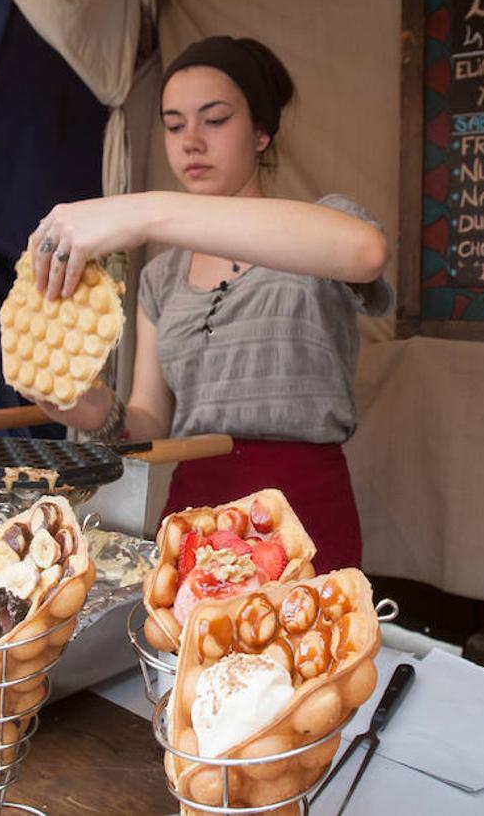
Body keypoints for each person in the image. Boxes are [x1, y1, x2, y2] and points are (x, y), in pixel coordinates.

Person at [26, 36, 391, 572]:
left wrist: (147, 210)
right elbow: (151, 422)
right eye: (174, 126)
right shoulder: (162, 275)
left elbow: (367, 252)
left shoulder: (322, 226)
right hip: (194, 519)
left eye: (214, 120)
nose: (190, 141)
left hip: (301, 519)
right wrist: (92, 409)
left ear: (262, 132)